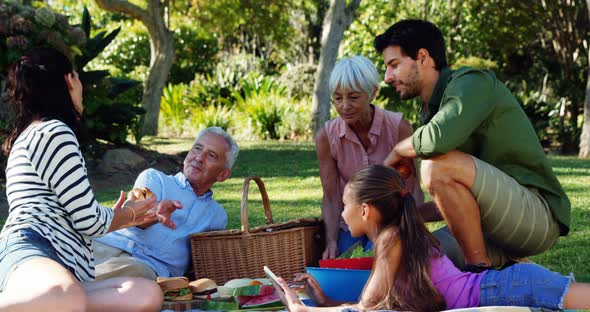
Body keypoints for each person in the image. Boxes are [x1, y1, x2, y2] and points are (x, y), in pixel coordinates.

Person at [372, 19, 571, 271]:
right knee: (408, 256)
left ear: (422, 57)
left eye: (394, 65)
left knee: (436, 167)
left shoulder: (472, 82)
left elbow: (437, 139)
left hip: (536, 218)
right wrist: (410, 216)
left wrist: (399, 150)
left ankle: (479, 274)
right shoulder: (433, 110)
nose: (388, 77)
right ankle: (522, 278)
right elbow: (461, 198)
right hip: (491, 228)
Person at [274, 165, 590, 311]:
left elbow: (367, 308)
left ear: (366, 210)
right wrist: (328, 302)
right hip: (503, 288)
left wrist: (307, 311)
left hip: (503, 289)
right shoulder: (396, 236)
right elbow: (375, 305)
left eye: (345, 205)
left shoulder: (391, 239)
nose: (341, 213)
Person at [0, 48, 175, 311]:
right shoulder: (54, 132)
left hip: (63, 264)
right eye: (78, 79)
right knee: (66, 295)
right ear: (69, 81)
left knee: (145, 293)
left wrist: (125, 217)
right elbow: (89, 221)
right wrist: (129, 215)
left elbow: (82, 219)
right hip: (32, 249)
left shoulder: (32, 132)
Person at [93, 126, 239, 280]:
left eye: (211, 155)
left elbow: (209, 260)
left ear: (223, 174)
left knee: (136, 270)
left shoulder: (217, 216)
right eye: (197, 149)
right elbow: (136, 215)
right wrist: (156, 213)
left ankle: (71, 290)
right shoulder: (154, 178)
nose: (199, 158)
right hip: (110, 246)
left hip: (149, 268)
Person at [316, 55, 423, 259]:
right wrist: (331, 241)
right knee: (346, 267)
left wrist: (411, 233)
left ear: (372, 92)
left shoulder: (399, 128)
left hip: (391, 221)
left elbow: (411, 188)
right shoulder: (326, 137)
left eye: (353, 97)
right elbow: (330, 196)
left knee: (385, 264)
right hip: (350, 224)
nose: (344, 106)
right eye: (338, 98)